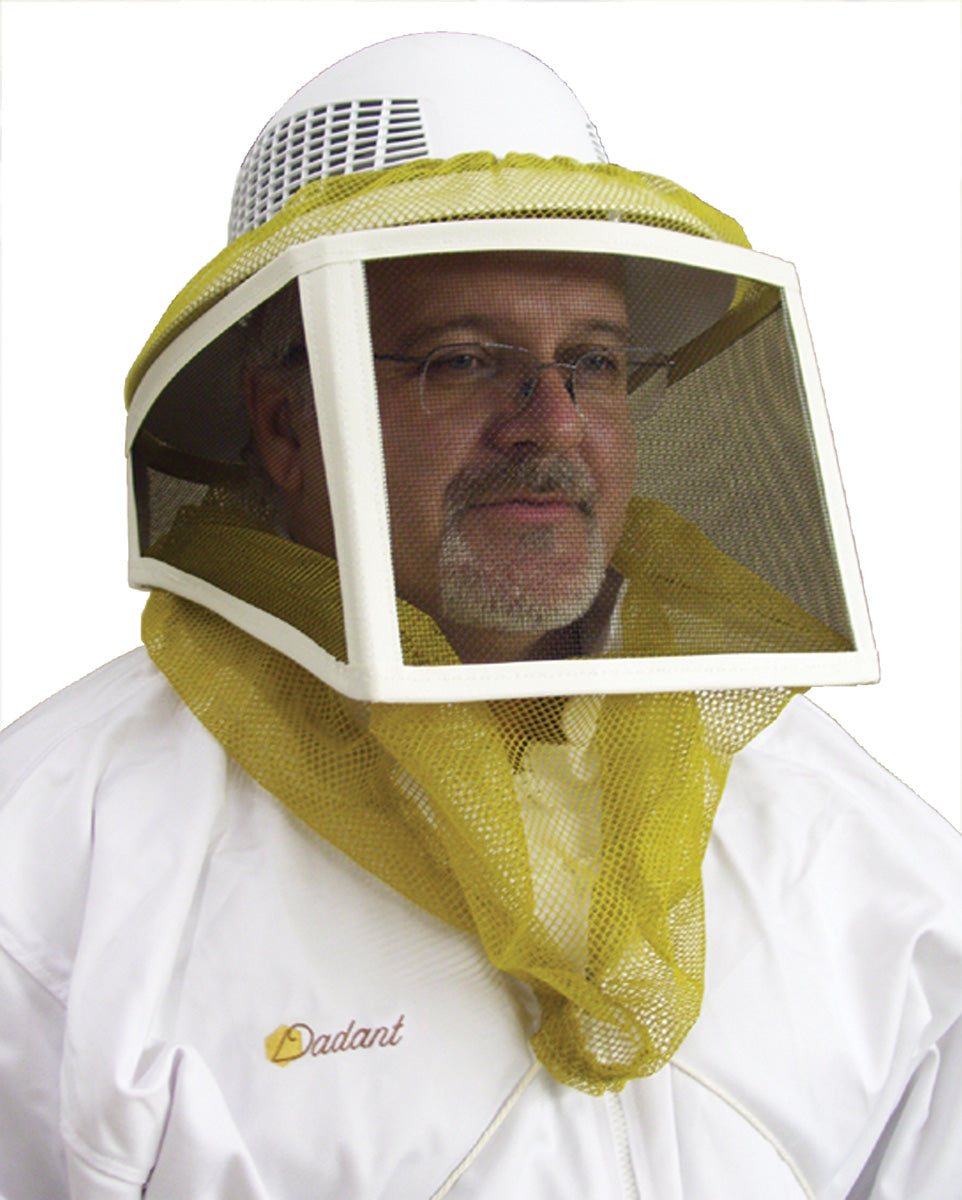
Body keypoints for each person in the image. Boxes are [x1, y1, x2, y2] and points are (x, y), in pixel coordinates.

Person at [0, 32, 959, 1200]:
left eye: (593, 364)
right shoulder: (61, 856)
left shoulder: (853, 846)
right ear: (285, 423)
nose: (548, 424)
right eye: (461, 361)